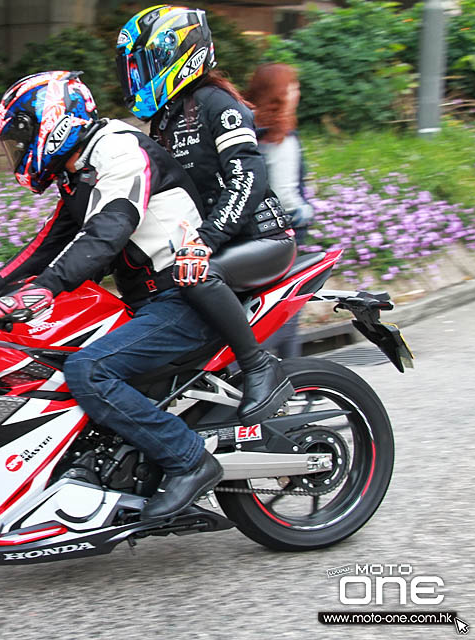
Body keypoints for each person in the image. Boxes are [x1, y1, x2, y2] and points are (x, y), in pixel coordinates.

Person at [0, 71, 223, 522]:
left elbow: (106, 233)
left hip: (183, 296)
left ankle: (190, 460)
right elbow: (49, 243)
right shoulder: (79, 169)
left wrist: (43, 290)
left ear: (54, 119)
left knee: (89, 370)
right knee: (47, 356)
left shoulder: (119, 149)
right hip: (146, 300)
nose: (20, 151)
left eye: (22, 137)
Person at [116, 5, 297, 426]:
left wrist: (206, 241)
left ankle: (258, 366)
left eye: (143, 66)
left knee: (196, 273)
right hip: (218, 246)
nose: (136, 77)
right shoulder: (163, 120)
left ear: (174, 55)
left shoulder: (216, 104)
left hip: (264, 240)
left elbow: (248, 178)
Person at [246, 62, 315, 358]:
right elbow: (287, 200)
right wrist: (309, 210)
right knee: (286, 313)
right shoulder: (282, 138)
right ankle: (295, 381)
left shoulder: (248, 129)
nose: (297, 92)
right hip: (284, 239)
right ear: (281, 94)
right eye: (293, 87)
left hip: (250, 239)